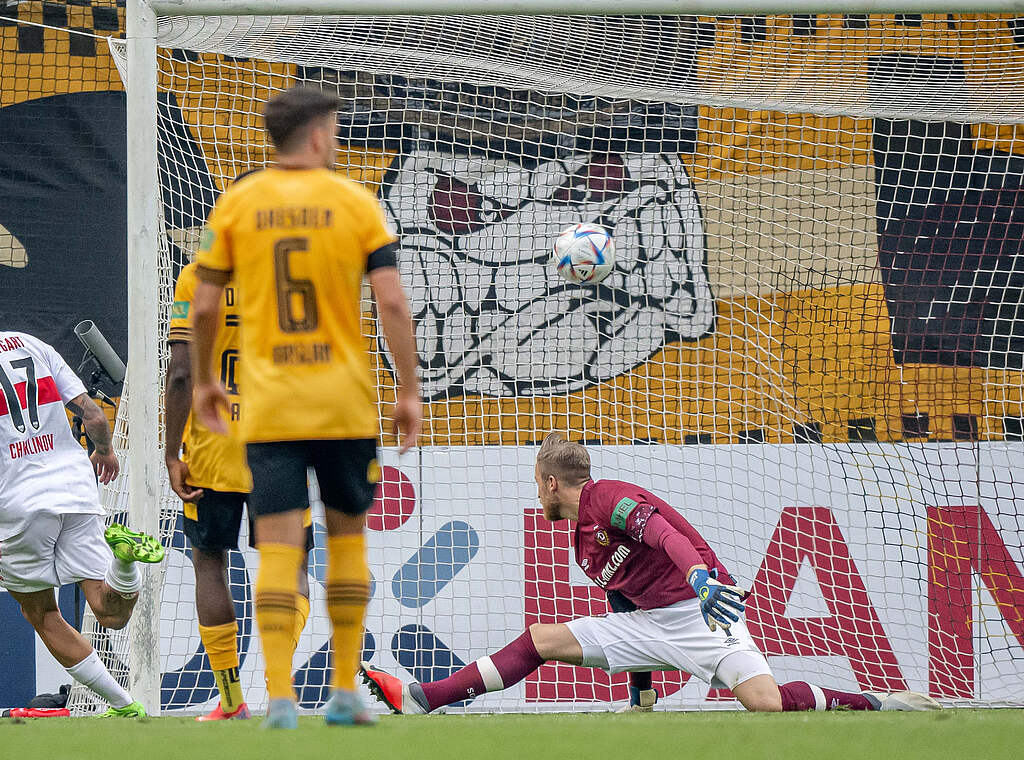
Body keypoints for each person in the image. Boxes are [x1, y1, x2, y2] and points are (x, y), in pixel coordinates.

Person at [362, 433, 941, 715]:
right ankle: (422, 699)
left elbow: (666, 533)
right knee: (542, 639)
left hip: (704, 612)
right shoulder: (582, 542)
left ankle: (874, 702)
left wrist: (701, 581)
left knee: (764, 703)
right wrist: (641, 694)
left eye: (535, 481)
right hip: (655, 621)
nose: (535, 489)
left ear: (548, 482)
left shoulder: (608, 498)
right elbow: (623, 606)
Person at [189, 86, 423, 728]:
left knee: (278, 549)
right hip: (345, 404)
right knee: (347, 544)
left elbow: (205, 307)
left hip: (270, 408)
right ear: (319, 135)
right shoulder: (355, 202)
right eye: (337, 129)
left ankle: (281, 699)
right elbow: (393, 305)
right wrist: (407, 388)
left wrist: (208, 379)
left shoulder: (238, 204)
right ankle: (346, 690)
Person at [0, 270, 165, 718]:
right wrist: (104, 450)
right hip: (76, 489)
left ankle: (125, 705)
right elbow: (93, 414)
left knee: (42, 614)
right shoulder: (33, 345)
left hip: (21, 503)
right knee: (110, 611)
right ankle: (124, 561)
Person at [164, 260, 314, 721]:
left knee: (209, 564)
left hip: (212, 450)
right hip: (278, 445)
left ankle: (231, 702)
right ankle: (279, 690)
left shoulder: (196, 279)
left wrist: (173, 452)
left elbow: (181, 373)